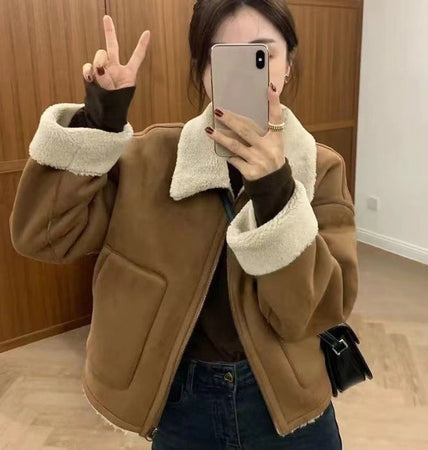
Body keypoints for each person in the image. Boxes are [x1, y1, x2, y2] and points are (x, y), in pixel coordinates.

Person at [9, 1, 358, 448]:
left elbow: (320, 310)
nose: (246, 72)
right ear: (202, 70)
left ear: (288, 64)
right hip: (180, 405)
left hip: (289, 405)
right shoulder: (148, 160)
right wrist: (99, 120)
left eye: (262, 54)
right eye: (224, 56)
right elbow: (43, 236)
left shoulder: (321, 169)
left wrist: (276, 190)